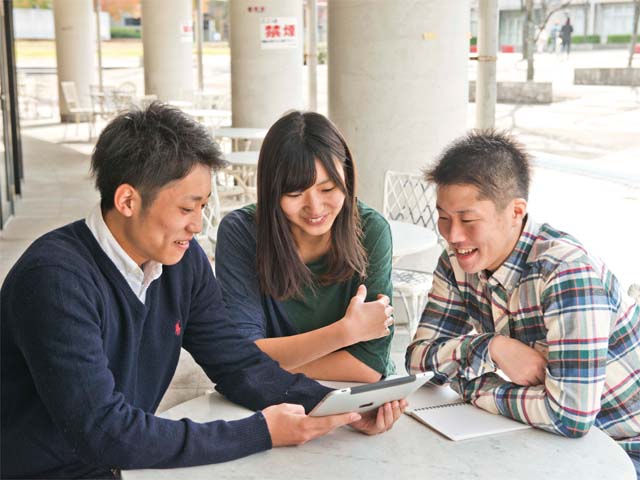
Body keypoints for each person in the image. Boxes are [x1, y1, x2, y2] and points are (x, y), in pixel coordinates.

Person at [0, 103, 405, 479]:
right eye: (186, 208)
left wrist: (343, 407)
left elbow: (238, 365)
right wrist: (259, 432)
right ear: (127, 200)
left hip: (126, 466)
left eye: (203, 208)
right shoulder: (55, 280)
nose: (198, 226)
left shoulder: (182, 262)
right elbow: (105, 431)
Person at [406, 130, 640, 476]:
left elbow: (569, 415)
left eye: (468, 220)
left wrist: (472, 385)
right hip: (548, 442)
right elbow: (418, 362)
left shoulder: (566, 273)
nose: (453, 236)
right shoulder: (458, 262)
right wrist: (492, 347)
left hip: (622, 450)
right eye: (443, 217)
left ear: (516, 211)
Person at [215, 110, 395, 383]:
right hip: (273, 400)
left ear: (346, 177)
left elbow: (368, 367)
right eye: (295, 193)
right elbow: (242, 354)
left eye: (328, 189)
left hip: (354, 397)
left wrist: (264, 366)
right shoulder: (241, 233)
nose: (315, 207)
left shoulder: (371, 231)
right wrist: (345, 332)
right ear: (271, 191)